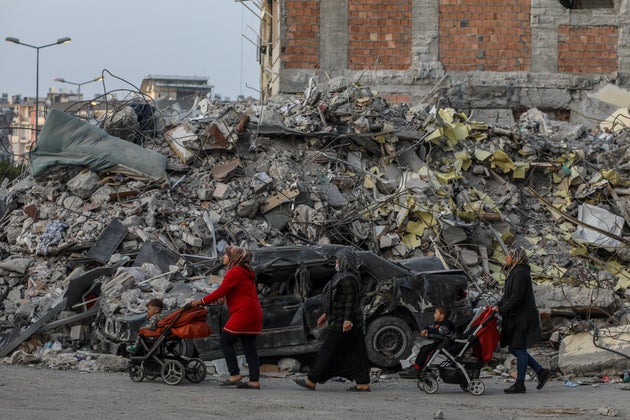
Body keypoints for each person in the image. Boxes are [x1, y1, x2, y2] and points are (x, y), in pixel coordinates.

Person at [294, 249, 371, 392]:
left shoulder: (348, 278)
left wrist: (347, 320)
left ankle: (311, 380)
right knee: (357, 351)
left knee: (327, 350)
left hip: (343, 322)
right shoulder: (342, 276)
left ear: (344, 261)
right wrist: (326, 314)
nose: (336, 262)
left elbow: (351, 301)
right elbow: (337, 299)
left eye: (338, 260)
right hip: (344, 321)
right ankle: (362, 383)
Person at [191, 245, 263, 390]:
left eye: (226, 255)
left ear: (234, 258)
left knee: (225, 341)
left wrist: (201, 301)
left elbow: (221, 291)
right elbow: (233, 292)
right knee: (249, 347)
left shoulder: (234, 272)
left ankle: (234, 374)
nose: (223, 257)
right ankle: (254, 380)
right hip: (254, 312)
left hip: (243, 313)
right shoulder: (246, 271)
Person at [492, 246, 550, 394]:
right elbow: (508, 295)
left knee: (519, 348)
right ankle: (540, 371)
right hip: (518, 316)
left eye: (509, 255)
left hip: (522, 317)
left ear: (516, 257)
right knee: (514, 348)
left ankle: (520, 383)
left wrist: (503, 308)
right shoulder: (516, 272)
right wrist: (498, 305)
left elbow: (517, 296)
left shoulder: (520, 273)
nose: (507, 257)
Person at [398, 305, 454, 379]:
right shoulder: (436, 323)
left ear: (442, 315)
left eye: (436, 313)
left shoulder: (446, 323)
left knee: (426, 350)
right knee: (423, 348)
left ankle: (418, 368)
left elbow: (441, 331)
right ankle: (416, 366)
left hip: (445, 345)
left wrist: (429, 331)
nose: (434, 314)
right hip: (438, 344)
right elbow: (430, 327)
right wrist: (425, 329)